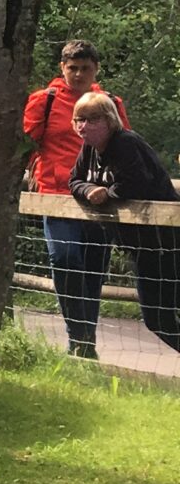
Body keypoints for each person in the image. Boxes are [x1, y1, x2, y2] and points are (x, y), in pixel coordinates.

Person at [23, 40, 132, 357]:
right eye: (73, 68)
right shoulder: (44, 101)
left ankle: (86, 346)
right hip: (56, 196)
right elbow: (25, 144)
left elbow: (124, 147)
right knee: (65, 259)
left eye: (86, 68)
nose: (79, 73)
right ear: (62, 68)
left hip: (100, 198)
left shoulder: (109, 103)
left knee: (94, 272)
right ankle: (77, 337)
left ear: (96, 69)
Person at [67, 92, 180, 354]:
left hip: (167, 242)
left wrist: (107, 194)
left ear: (109, 120)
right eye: (79, 120)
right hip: (140, 248)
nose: (84, 126)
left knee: (161, 311)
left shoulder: (126, 143)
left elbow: (136, 183)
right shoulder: (90, 148)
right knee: (156, 318)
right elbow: (74, 180)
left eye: (92, 119)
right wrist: (87, 190)